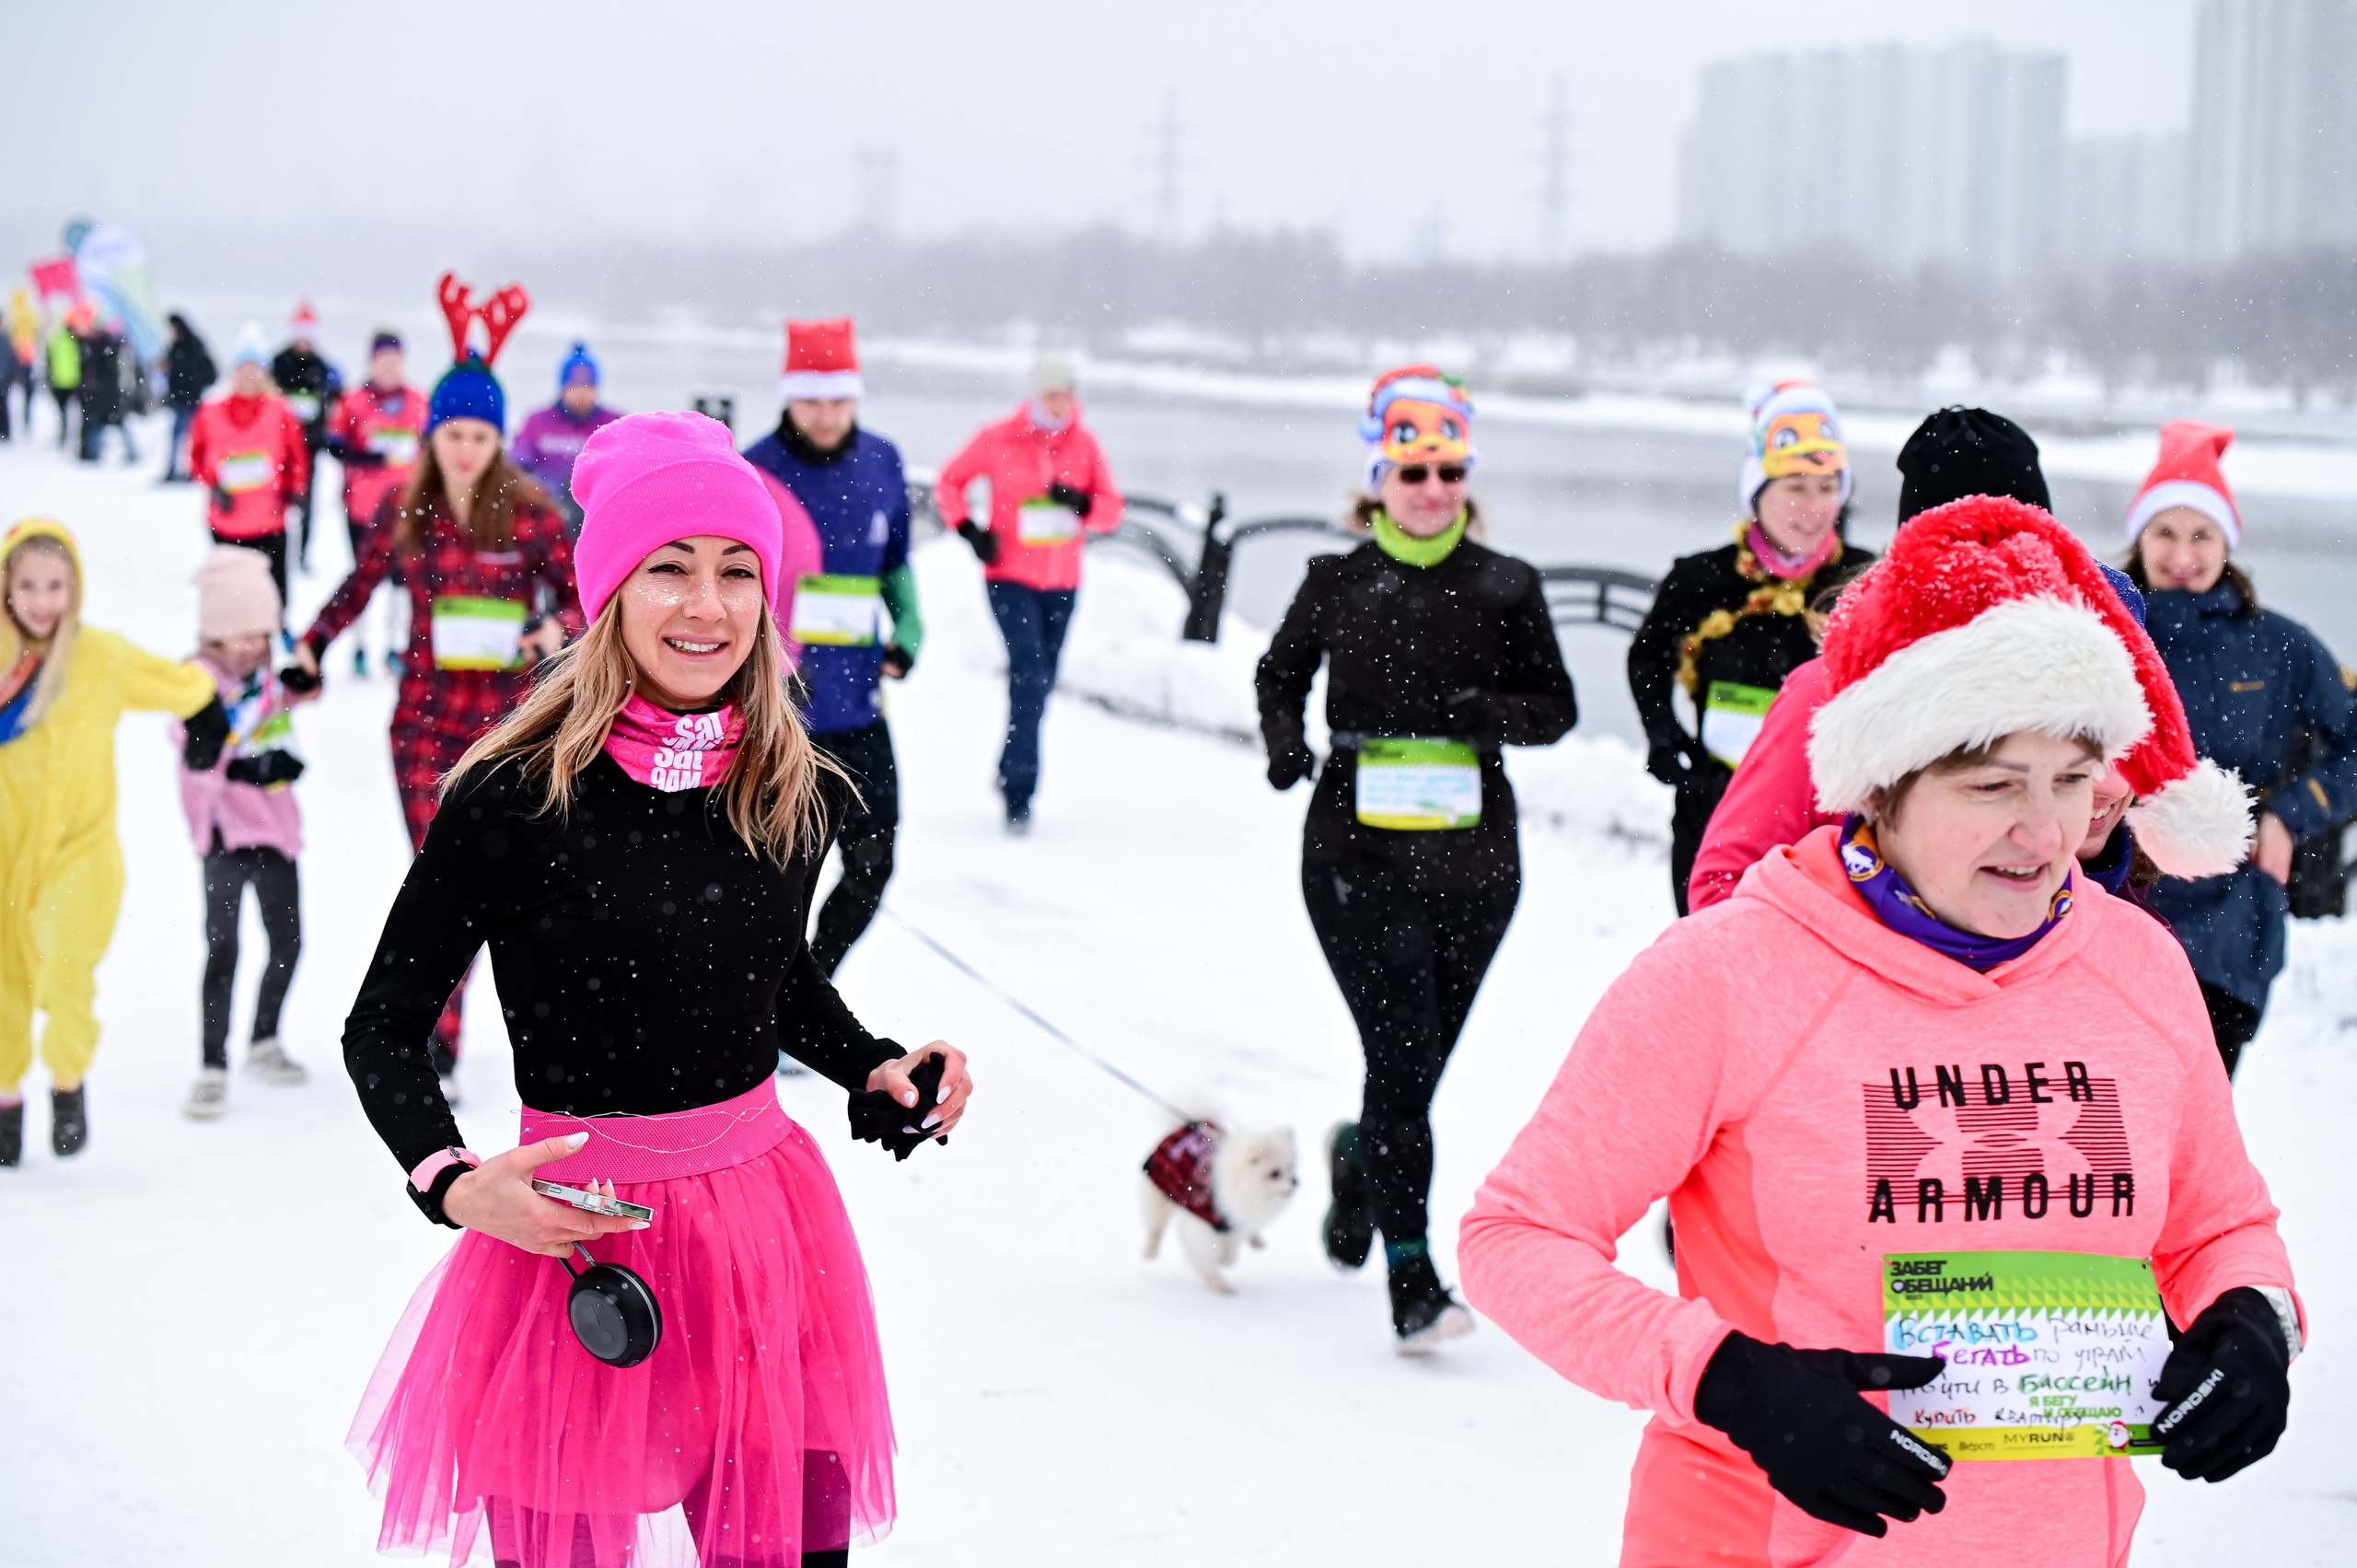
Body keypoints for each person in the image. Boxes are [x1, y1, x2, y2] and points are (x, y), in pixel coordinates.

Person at [1463, 496, 2291, 1566]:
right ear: (1881, 789)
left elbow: (2221, 1220)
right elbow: (1515, 1237)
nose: (2042, 836)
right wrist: (1728, 1378)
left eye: (2073, 784)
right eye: (1992, 786)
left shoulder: (2135, 967)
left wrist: (2254, 1318)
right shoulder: (1731, 971)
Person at [343, 411, 971, 1568]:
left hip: (762, 1230)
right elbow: (381, 1027)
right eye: (668, 569)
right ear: (609, 593)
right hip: (580, 1237)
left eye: (737, 571)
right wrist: (451, 1182)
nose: (707, 604)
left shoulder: (789, 782)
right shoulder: (514, 795)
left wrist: (872, 1061)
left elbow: (775, 980)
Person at [1256, 366, 1578, 1350]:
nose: (1431, 486)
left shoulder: (1505, 583)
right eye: (1412, 469)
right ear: (1378, 478)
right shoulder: (1335, 581)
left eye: (1446, 468)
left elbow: (1557, 706)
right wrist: (1284, 741)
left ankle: (1362, 1155)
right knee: (1401, 1050)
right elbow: (1279, 672)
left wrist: (1497, 717)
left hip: (1476, 860)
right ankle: (1412, 1270)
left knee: (1414, 1059)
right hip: (1355, 849)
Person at [294, 277, 579, 1098]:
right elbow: (355, 590)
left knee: (509, 892)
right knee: (441, 880)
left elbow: (582, 598)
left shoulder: (532, 517)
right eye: (451, 433)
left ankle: (530, 1032)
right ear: (431, 437)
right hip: (422, 725)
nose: (464, 448)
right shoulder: (407, 515)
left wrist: (552, 630)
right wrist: (310, 649)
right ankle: (442, 1043)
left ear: (497, 438)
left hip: (509, 733)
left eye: (479, 434)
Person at [1688, 407, 2059, 912]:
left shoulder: (2078, 694)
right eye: (1963, 548)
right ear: (1913, 556)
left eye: (2020, 546)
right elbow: (1724, 885)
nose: (1994, 575)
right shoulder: (1831, 693)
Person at [2123, 422, 2357, 1077]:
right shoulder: (2110, 631)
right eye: (2164, 532)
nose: (2182, 553)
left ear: (2227, 541)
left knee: (2195, 1132)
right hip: (2117, 908)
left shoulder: (2280, 645)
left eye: (2202, 534)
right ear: (2139, 537)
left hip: (2231, 923)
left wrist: (2292, 812)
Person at [1, 518, 228, 1166]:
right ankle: (7, 1093)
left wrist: (203, 707)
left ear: (75, 587)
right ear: (5, 588)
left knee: (68, 972)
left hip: (80, 853)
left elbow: (174, 680)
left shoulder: (96, 655)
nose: (43, 600)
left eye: (56, 584)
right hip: (3, 857)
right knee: (4, 986)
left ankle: (68, 1079)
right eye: (28, 585)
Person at [1629, 382, 1874, 913]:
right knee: (1712, 951)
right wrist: (1664, 738)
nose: (1813, 508)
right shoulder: (1702, 578)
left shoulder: (1863, 579)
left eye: (1828, 487)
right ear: (1757, 493)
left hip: (1826, 818)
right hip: (1716, 802)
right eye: (1795, 488)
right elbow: (1647, 657)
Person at [742, 318, 922, 978]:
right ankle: (764, 998)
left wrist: (908, 634)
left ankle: (809, 985)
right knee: (773, 875)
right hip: (777, 713)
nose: (826, 413)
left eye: (840, 399)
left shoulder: (882, 460)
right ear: (789, 396)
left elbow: (896, 567)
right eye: (812, 399)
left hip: (859, 706)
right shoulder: (755, 469)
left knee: (875, 862)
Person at [934, 351, 1123, 831]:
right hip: (1009, 577)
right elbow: (949, 482)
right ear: (1035, 395)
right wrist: (970, 531)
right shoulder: (998, 437)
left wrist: (1082, 504)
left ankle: (1009, 772)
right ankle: (1020, 789)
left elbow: (1111, 512)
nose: (1060, 404)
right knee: (1030, 675)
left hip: (1063, 583)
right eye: (1052, 394)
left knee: (1038, 685)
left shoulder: (1084, 445)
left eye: (1067, 394)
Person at [175, 546, 315, 1120]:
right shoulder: (194, 683)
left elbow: (298, 691)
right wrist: (228, 768)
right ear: (213, 634)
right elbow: (191, 761)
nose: (250, 646)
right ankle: (212, 1063)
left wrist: (304, 674)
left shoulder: (265, 678)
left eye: (259, 633)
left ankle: (264, 1038)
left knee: (288, 942)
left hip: (276, 833)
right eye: (237, 635)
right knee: (224, 948)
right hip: (226, 839)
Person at [324, 331, 428, 676]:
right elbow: (333, 445)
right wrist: (371, 457)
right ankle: (359, 646)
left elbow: (432, 447)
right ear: (371, 362)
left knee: (403, 580)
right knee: (363, 578)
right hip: (363, 509)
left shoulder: (417, 401)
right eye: (383, 361)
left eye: (395, 362)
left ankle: (394, 646)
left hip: (407, 507)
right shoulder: (353, 401)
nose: (389, 368)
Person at [188, 325, 308, 606]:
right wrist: (214, 485)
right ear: (233, 370)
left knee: (272, 592)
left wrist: (295, 491)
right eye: (243, 366)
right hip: (226, 521)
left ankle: (277, 634)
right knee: (231, 593)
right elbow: (195, 457)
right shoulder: (211, 411)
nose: (249, 374)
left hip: (270, 521)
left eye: (255, 366)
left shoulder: (280, 411)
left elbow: (297, 458)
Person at [510, 340, 622, 537]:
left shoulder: (614, 424)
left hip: (597, 518)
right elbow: (518, 465)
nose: (581, 394)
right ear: (563, 387)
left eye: (587, 387)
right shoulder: (537, 422)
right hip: (545, 516)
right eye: (574, 387)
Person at [271, 301, 343, 572]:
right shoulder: (278, 363)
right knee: (277, 500)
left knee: (307, 504)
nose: (304, 340)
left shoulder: (323, 366)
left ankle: (302, 554)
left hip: (310, 447)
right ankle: (276, 550)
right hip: (279, 448)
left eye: (308, 334)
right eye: (300, 333)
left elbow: (336, 400)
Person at [160, 313, 217, 482]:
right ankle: (182, 470)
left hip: (188, 399)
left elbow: (203, 371)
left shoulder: (191, 345)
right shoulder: (181, 345)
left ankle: (188, 470)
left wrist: (184, 377)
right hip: (182, 399)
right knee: (182, 438)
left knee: (186, 438)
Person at [75, 312, 137, 466]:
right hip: (108, 392)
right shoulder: (111, 344)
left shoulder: (98, 345)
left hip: (102, 393)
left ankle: (92, 453)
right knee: (112, 423)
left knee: (98, 423)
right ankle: (129, 452)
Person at [44, 308, 83, 450]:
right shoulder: (75, 340)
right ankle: (68, 437)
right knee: (70, 412)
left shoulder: (56, 339)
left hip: (61, 381)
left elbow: (48, 360)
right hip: (71, 381)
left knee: (63, 413)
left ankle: (65, 436)